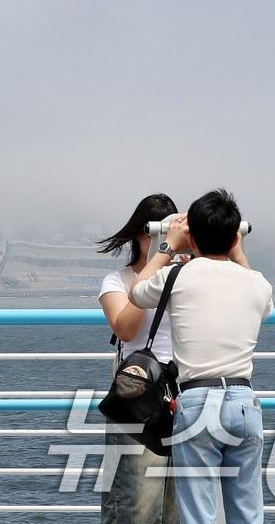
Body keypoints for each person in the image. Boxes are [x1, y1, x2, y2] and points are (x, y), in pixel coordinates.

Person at [130, 189, 273, 524]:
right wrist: (239, 252)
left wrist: (167, 246)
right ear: (234, 235)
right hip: (243, 401)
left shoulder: (178, 276)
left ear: (191, 237)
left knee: (199, 516)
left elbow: (137, 292)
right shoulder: (256, 284)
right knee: (249, 514)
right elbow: (264, 302)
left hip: (196, 402)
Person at [96, 194, 182, 524]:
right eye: (153, 232)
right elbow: (127, 329)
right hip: (138, 398)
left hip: (181, 397)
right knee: (134, 503)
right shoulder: (117, 281)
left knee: (180, 506)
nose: (159, 239)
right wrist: (156, 266)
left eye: (167, 230)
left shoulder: (187, 276)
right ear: (138, 232)